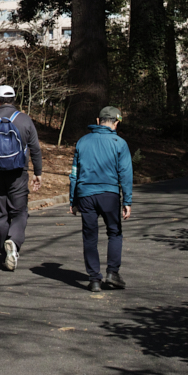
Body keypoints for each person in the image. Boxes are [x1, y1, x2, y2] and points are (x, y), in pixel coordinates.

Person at [0, 85, 42, 271]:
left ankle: (5, 253)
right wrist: (38, 172)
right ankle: (13, 241)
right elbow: (35, 148)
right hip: (18, 174)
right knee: (19, 212)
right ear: (14, 99)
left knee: (1, 215)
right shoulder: (25, 120)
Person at [69, 106, 133, 292]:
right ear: (116, 123)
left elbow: (74, 173)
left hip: (85, 195)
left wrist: (73, 200)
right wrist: (127, 201)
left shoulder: (82, 142)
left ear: (98, 121)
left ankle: (94, 278)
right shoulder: (119, 143)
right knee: (114, 232)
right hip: (109, 194)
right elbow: (126, 174)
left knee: (89, 237)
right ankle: (112, 272)